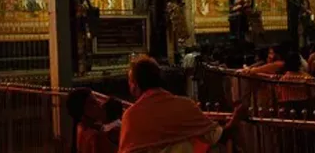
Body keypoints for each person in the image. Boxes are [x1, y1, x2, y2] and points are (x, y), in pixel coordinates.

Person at [118, 55, 248, 153]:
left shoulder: (131, 116)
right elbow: (221, 137)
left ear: (135, 85)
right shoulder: (186, 105)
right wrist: (236, 117)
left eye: (130, 81)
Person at [65, 88, 116, 153]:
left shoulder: (79, 127)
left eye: (97, 101)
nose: (99, 104)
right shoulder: (95, 137)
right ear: (81, 109)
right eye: (93, 103)